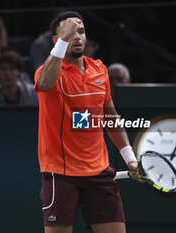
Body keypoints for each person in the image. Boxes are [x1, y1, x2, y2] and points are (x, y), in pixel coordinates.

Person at [34, 11, 140, 233]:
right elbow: (44, 85)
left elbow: (110, 117)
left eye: (80, 31)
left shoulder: (99, 70)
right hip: (61, 174)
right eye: (70, 33)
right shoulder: (47, 72)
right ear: (56, 40)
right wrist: (64, 40)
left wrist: (129, 158)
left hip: (99, 173)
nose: (77, 37)